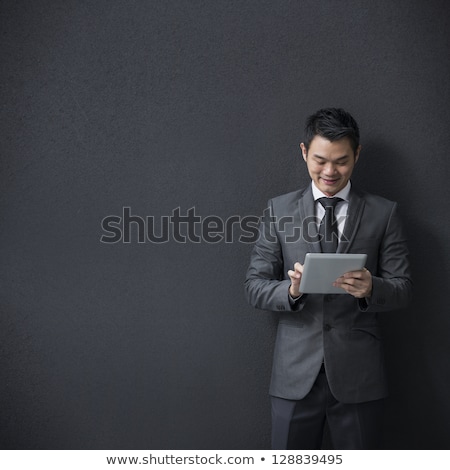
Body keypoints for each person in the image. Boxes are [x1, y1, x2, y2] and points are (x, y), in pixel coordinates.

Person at [244, 107, 412, 450]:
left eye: (341, 161)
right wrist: (291, 291)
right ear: (304, 152)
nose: (330, 172)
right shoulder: (279, 210)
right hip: (294, 375)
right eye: (320, 160)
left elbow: (403, 289)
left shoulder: (384, 212)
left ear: (357, 154)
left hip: (360, 376)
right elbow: (254, 286)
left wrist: (371, 288)